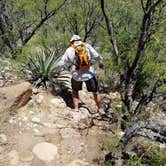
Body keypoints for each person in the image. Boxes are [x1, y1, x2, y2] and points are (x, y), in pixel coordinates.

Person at [56, 34, 105, 114]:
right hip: (89, 74)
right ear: (80, 40)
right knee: (95, 91)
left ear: (71, 42)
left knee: (75, 91)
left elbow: (62, 62)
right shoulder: (87, 46)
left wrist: (57, 70)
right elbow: (97, 56)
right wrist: (101, 63)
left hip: (76, 75)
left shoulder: (69, 50)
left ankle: (76, 109)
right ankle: (100, 109)